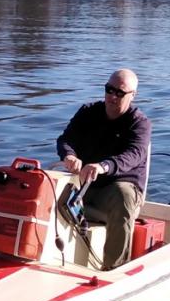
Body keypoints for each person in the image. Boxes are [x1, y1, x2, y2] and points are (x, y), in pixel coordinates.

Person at [56, 68, 152, 270]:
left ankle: (113, 269)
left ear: (133, 95)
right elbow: (66, 139)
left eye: (120, 93)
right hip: (84, 187)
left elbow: (134, 154)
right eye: (109, 90)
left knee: (123, 195)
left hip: (116, 189)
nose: (112, 96)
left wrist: (103, 166)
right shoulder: (88, 112)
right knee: (47, 187)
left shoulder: (139, 123)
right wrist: (69, 155)